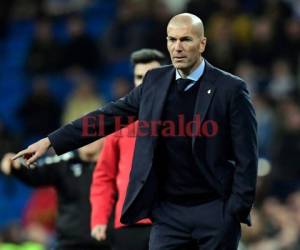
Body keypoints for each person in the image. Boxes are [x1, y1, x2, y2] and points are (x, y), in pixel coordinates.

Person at [13, 13, 258, 250]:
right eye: (172, 40)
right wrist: (50, 142)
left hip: (214, 209)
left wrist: (235, 209)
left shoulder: (230, 89)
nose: (178, 47)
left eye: (186, 39)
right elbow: (106, 118)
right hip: (168, 214)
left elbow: (247, 154)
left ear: (202, 43)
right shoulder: (154, 82)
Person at [90, 49, 166, 250]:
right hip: (128, 227)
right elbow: (104, 176)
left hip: (171, 223)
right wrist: (99, 218)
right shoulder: (119, 124)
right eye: (139, 77)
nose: (144, 83)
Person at [2, 141, 111, 250]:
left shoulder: (119, 165)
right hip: (70, 244)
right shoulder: (64, 162)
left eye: (93, 133)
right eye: (83, 132)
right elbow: (35, 173)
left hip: (109, 243)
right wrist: (17, 166)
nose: (88, 139)